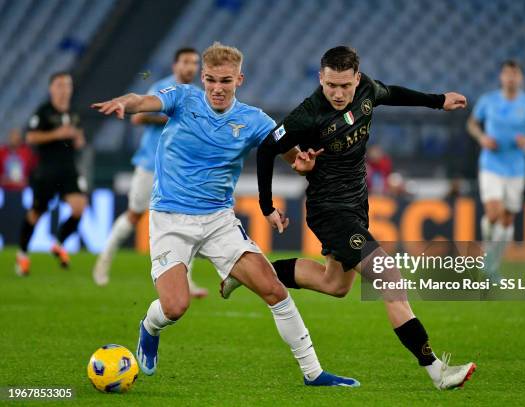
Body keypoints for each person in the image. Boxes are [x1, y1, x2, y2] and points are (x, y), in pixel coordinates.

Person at [91, 42, 358, 386]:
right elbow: (142, 102)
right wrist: (124, 104)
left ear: (239, 80)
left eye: (226, 81)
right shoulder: (183, 98)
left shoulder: (253, 120)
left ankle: (313, 372)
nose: (218, 88)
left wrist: (302, 165)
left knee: (274, 290)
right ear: (203, 78)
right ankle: (149, 327)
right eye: (212, 80)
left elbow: (291, 156)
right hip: (171, 218)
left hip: (219, 221)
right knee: (174, 307)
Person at [222, 46, 476, 390]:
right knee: (390, 280)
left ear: (357, 79)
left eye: (345, 85)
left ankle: (247, 271)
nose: (338, 93)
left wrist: (438, 100)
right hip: (329, 210)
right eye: (330, 85)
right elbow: (268, 147)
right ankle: (436, 370)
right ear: (320, 79)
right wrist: (267, 206)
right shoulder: (307, 114)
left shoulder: (368, 89)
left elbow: (394, 94)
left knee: (334, 285)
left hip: (357, 203)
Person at [93, 47, 207, 298]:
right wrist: (169, 120)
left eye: (194, 63)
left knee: (185, 221)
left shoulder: (199, 95)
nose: (191, 67)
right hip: (150, 163)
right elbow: (137, 119)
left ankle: (187, 280)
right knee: (135, 214)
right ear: (175, 65)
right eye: (186, 62)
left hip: (178, 168)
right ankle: (104, 260)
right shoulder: (161, 88)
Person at [466, 60, 525, 276]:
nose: (510, 78)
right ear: (501, 77)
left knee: (508, 219)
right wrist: (482, 138)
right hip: (491, 164)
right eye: (507, 74)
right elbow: (472, 124)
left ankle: (492, 264)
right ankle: (487, 253)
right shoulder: (488, 101)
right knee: (493, 213)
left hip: (516, 167)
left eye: (514, 74)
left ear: (520, 78)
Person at [16, 72, 87, 276]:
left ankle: (58, 244)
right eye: (60, 85)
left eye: (68, 85)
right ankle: (22, 255)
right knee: (37, 212)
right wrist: (57, 134)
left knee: (79, 207)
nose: (64, 89)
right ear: (51, 89)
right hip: (47, 171)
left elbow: (79, 138)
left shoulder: (74, 113)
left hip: (69, 169)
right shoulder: (44, 112)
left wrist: (78, 139)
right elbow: (30, 137)